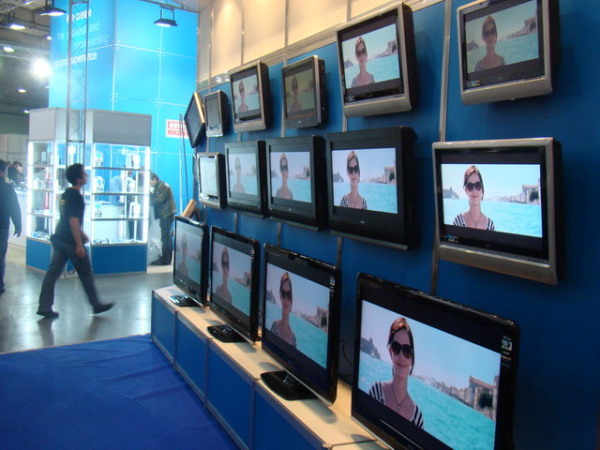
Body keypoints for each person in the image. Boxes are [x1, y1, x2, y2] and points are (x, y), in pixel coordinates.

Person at [37, 163, 113, 318]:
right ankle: (96, 304)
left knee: (52, 273)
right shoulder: (76, 197)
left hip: (60, 237)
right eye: (84, 174)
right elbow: (73, 220)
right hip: (71, 242)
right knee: (85, 273)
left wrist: (81, 234)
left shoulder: (66, 194)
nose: (87, 176)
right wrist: (79, 244)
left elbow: (68, 218)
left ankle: (44, 306)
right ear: (78, 178)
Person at [368, 317, 424, 428]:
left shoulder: (417, 418)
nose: (401, 356)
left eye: (406, 351)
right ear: (391, 352)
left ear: (412, 358)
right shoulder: (376, 391)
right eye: (396, 348)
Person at [0, 159, 22, 295]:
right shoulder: (7, 188)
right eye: (6, 171)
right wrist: (18, 224)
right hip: (2, 226)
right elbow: (14, 207)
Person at [453, 165, 495, 230]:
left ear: (482, 189)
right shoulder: (458, 221)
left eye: (477, 185)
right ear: (466, 190)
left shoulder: (490, 225)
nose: (474, 190)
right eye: (470, 186)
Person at [149, 172, 177, 265]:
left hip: (167, 214)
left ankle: (165, 260)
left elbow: (158, 200)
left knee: (166, 237)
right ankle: (166, 258)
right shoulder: (159, 186)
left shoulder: (163, 186)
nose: (149, 184)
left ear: (154, 179)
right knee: (165, 237)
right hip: (165, 214)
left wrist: (148, 197)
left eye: (149, 181)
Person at [270, 272, 296, 347]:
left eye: (288, 294)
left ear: (291, 299)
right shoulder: (274, 326)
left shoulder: (293, 339)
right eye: (283, 293)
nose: (286, 299)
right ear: (280, 296)